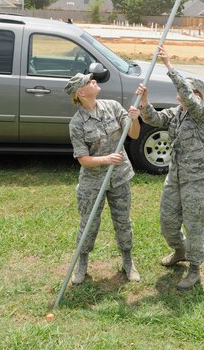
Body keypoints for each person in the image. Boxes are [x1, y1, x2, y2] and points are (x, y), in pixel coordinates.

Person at [136, 47, 204, 290]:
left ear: (198, 97)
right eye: (184, 91)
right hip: (176, 175)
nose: (184, 94)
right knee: (167, 221)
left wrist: (169, 66)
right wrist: (144, 101)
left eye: (191, 92)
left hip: (197, 179)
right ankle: (179, 251)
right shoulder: (176, 113)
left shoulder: (201, 114)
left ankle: (194, 270)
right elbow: (154, 119)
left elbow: (189, 97)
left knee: (194, 227)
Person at [65, 72, 142, 284]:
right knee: (89, 223)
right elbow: (83, 159)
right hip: (93, 181)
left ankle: (128, 261)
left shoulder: (113, 106)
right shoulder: (77, 123)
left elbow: (134, 134)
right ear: (81, 92)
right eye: (89, 82)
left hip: (119, 177)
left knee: (123, 221)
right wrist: (106, 159)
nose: (94, 81)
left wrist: (134, 119)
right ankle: (82, 264)